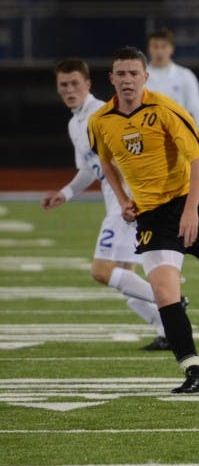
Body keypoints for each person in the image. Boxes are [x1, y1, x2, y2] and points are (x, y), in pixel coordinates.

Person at [88, 46, 199, 394]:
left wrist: (191, 210)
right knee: (165, 294)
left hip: (192, 204)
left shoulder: (164, 109)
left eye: (134, 73)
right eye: (121, 74)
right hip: (153, 217)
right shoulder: (101, 121)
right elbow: (106, 163)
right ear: (112, 79)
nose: (128, 80)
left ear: (145, 77)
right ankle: (195, 373)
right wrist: (123, 202)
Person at [41, 58, 172, 351]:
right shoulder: (75, 122)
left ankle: (170, 299)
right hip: (118, 204)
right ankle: (168, 329)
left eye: (75, 83)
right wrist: (66, 193)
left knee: (101, 271)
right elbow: (90, 168)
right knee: (127, 278)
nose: (70, 89)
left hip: (126, 205)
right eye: (64, 85)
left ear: (87, 84)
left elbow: (134, 154)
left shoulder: (102, 114)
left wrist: (136, 197)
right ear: (58, 88)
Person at [146, 28, 199, 159]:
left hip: (179, 140)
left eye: (163, 47)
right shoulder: (140, 77)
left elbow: (197, 110)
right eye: (155, 47)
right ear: (149, 49)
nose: (159, 51)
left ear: (171, 49)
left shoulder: (185, 76)